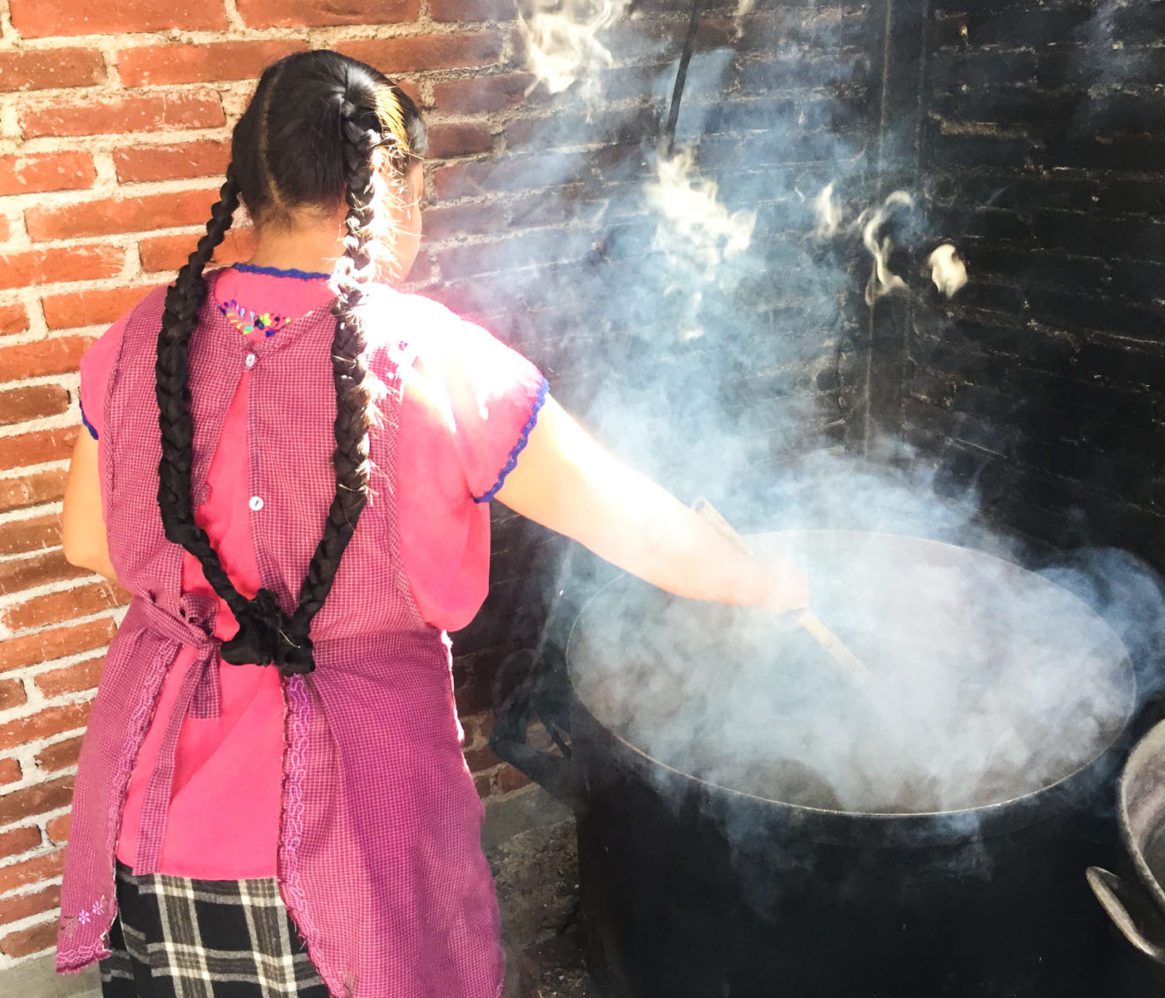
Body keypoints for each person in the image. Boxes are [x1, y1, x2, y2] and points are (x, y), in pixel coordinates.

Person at [55, 50, 808, 998]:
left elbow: (88, 542)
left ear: (249, 184)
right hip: (345, 829)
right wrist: (768, 583)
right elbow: (653, 539)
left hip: (146, 804)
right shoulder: (442, 365)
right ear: (394, 190)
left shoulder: (137, 339)